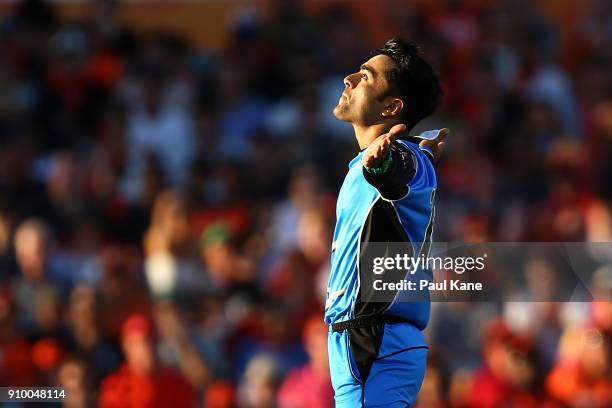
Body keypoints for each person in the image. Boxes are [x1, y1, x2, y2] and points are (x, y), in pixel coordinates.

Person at [325, 38, 447, 407]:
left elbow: (397, 173)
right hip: (363, 340)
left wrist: (383, 165)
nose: (349, 79)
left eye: (365, 77)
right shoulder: (387, 157)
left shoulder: (401, 156)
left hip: (374, 340)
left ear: (391, 107)